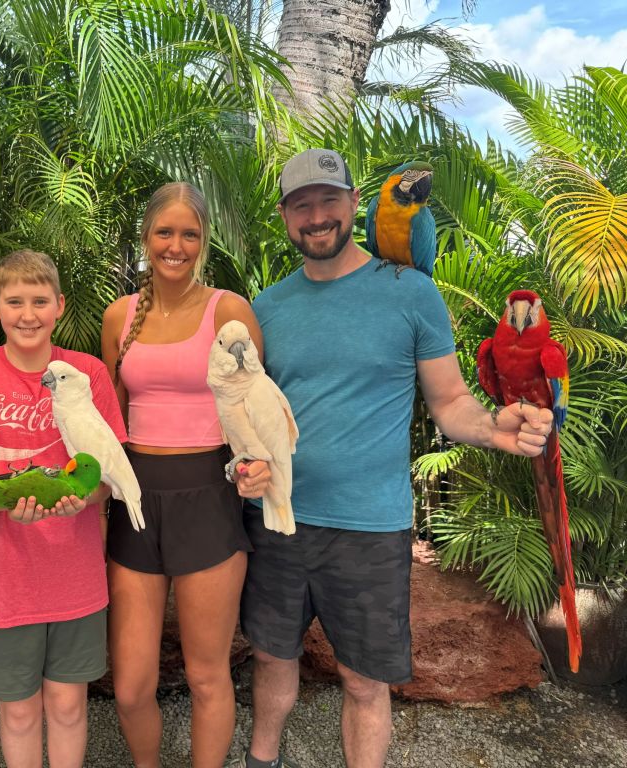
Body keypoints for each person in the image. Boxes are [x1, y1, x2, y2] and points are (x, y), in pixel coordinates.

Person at [230, 149, 553, 768]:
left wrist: (494, 429)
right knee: (272, 657)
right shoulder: (264, 309)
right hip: (277, 521)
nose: (317, 216)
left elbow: (451, 400)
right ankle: (261, 760)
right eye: (303, 205)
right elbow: (243, 415)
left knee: (364, 679)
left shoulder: (413, 294)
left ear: (356, 204)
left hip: (370, 527)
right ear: (284, 216)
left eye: (329, 201)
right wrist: (241, 467)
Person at [0, 249, 124, 768]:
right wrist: (7, 505)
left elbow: (106, 478)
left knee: (67, 704)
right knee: (18, 713)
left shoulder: (87, 374)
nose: (28, 313)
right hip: (6, 579)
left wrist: (77, 499)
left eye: (39, 301)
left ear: (59, 306)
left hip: (74, 572)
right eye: (15, 301)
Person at [99, 182, 261, 768]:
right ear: (145, 239)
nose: (176, 245)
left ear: (204, 242)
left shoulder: (229, 309)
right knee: (131, 685)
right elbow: (110, 419)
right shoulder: (120, 315)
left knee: (207, 675)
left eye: (188, 234)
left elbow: (252, 407)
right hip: (136, 502)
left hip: (208, 499)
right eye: (164, 233)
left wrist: (259, 465)